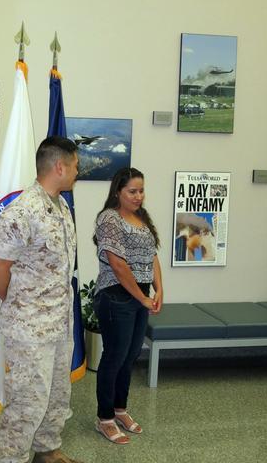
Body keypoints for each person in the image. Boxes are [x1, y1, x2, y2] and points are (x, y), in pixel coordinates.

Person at [0, 136, 82, 463]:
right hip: (30, 330)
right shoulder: (23, 210)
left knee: (56, 397)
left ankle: (48, 451)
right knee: (26, 404)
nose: (77, 172)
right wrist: (21, 305)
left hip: (60, 324)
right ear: (60, 167)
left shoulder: (62, 205)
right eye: (75, 166)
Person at [92, 167, 163, 444]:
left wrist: (158, 290)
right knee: (114, 357)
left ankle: (120, 409)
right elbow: (117, 264)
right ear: (118, 192)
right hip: (115, 296)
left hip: (139, 296)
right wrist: (142, 297)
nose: (138, 196)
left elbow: (152, 256)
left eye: (141, 191)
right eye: (132, 191)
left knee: (130, 356)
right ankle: (105, 419)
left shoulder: (141, 218)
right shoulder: (109, 218)